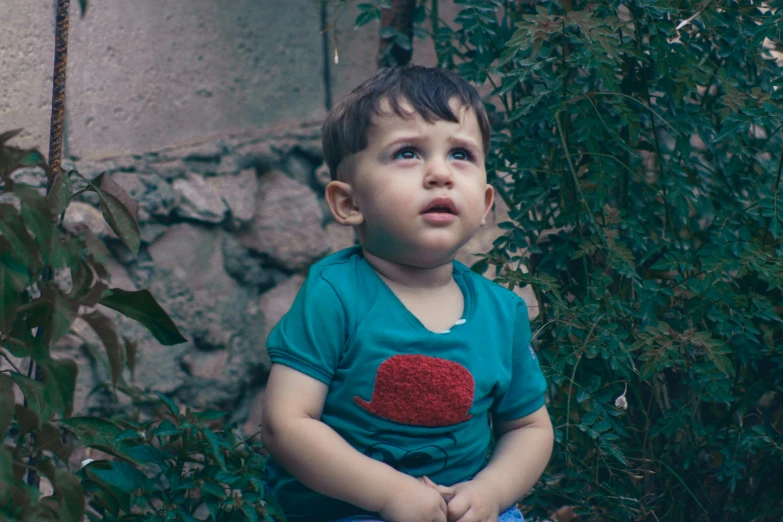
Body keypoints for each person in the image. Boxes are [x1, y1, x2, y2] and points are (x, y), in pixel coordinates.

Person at [260, 64, 553, 522]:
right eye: (408, 153)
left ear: (486, 206)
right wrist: (388, 494)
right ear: (349, 203)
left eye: (461, 154)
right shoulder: (335, 295)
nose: (440, 173)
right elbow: (286, 424)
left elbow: (529, 426)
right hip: (348, 510)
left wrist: (492, 492)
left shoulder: (503, 312)